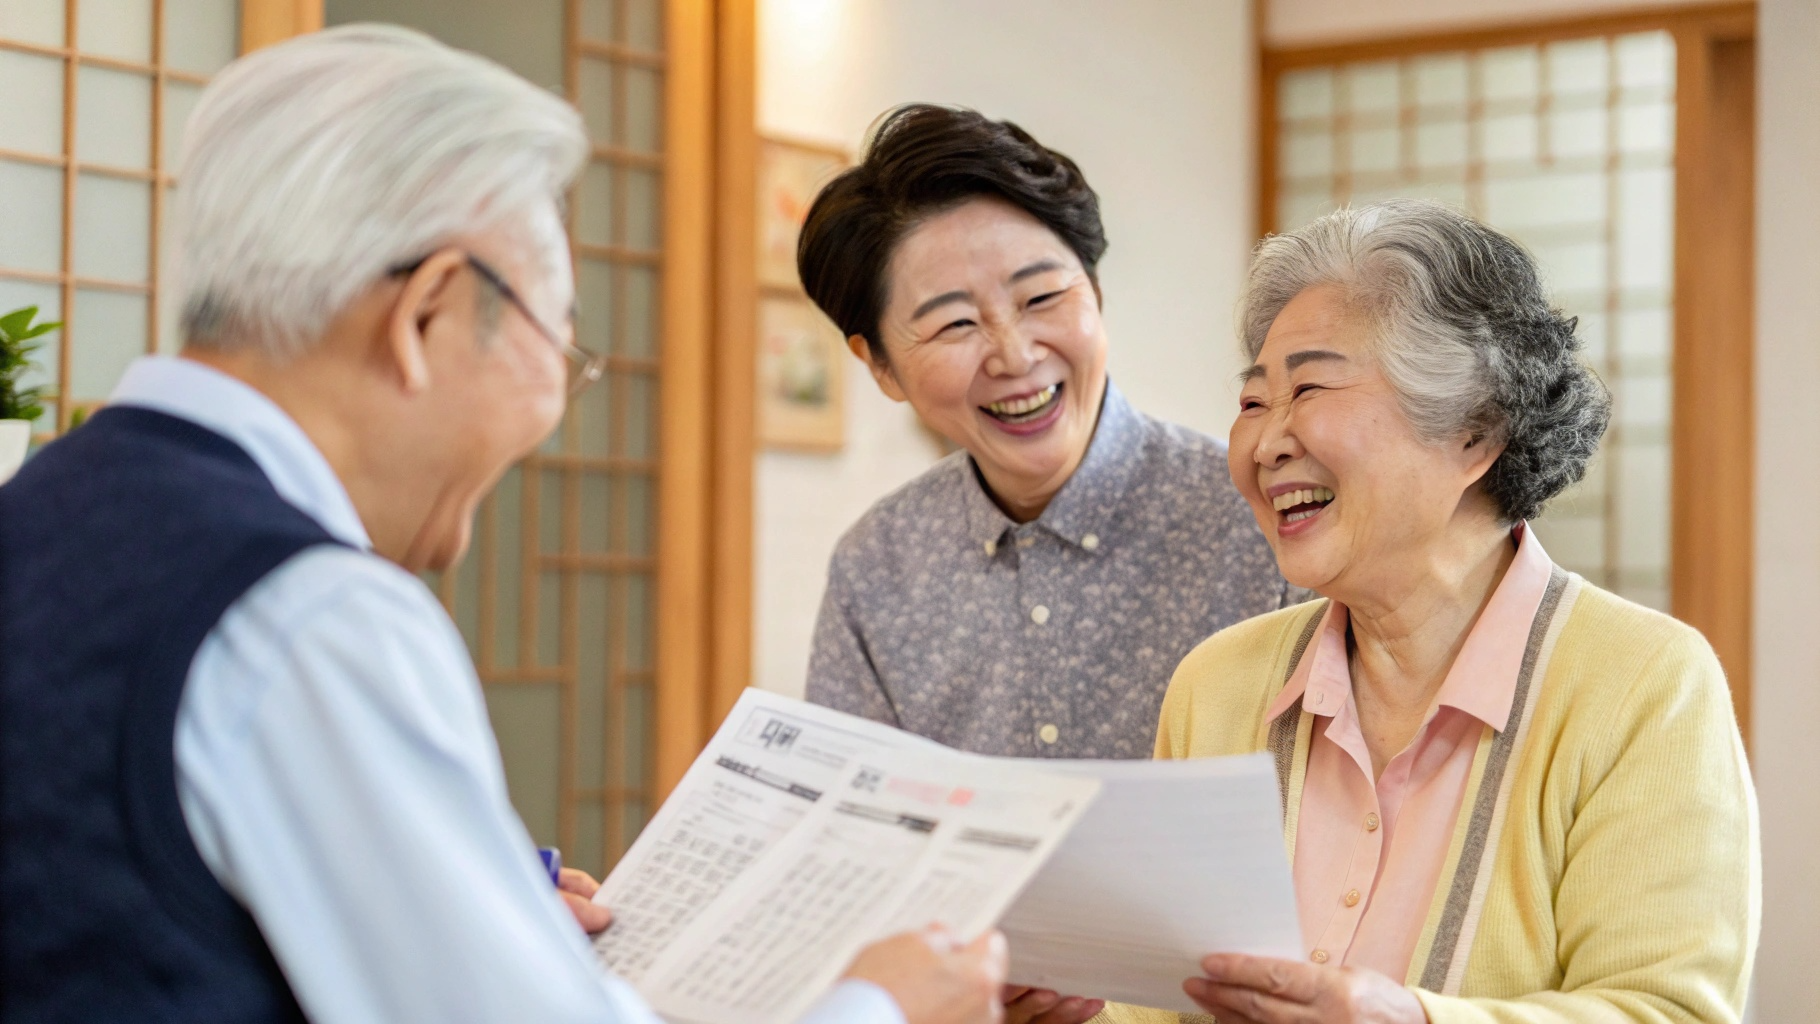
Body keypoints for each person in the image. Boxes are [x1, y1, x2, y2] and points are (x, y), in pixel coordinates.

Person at [0, 26, 1007, 1024]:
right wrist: (884, 1005)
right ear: (429, 313)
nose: (558, 395)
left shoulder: (42, 509)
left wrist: (480, 918)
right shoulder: (310, 613)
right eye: (554, 336)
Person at [1107, 200, 1759, 1024]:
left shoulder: (1645, 684)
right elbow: (1153, 1009)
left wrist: (1408, 1020)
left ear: (1474, 435)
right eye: (1251, 402)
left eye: (1307, 388)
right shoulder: (1217, 685)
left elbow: (1670, 1012)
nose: (1266, 442)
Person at [799, 105, 1289, 769]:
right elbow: (849, 825)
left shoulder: (1260, 516)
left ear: (1095, 291)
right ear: (879, 364)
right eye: (955, 325)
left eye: (1040, 299)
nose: (1014, 355)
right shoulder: (878, 567)